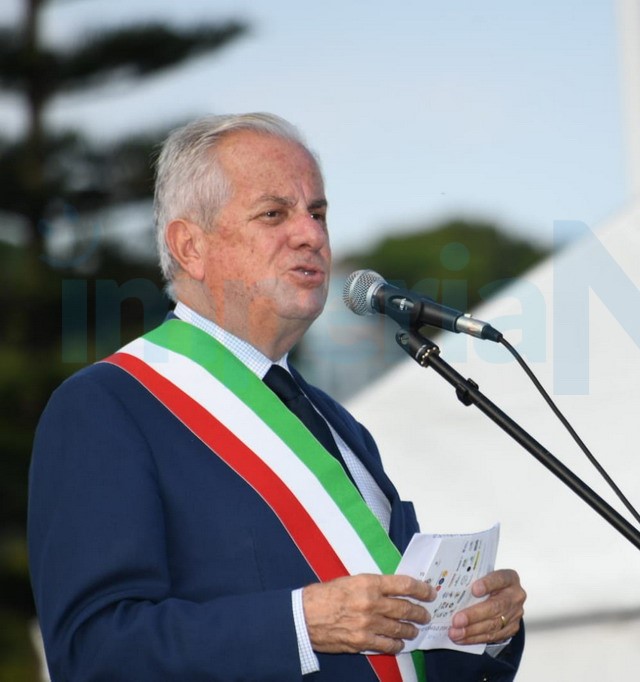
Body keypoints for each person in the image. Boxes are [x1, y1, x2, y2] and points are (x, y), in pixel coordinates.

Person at [28, 112, 526, 681]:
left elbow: (403, 649)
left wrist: (482, 629)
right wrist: (300, 625)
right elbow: (94, 654)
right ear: (190, 246)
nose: (311, 235)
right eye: (274, 213)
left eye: (318, 213)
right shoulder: (108, 408)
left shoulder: (339, 425)